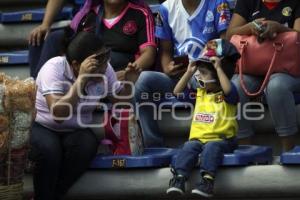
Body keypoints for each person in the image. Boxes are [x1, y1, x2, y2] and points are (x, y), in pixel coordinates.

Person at [30, 32, 133, 200]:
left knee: (87, 145)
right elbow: (58, 114)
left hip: (76, 129)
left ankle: (53, 196)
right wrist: (81, 80)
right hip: (44, 126)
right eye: (97, 63)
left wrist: (131, 83)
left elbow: (121, 103)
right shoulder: (53, 68)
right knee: (50, 150)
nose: (104, 68)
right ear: (77, 65)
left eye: (105, 60)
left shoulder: (105, 69)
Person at [134, 0, 232, 147]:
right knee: (143, 80)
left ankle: (207, 138)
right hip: (179, 77)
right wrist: (168, 67)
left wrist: (206, 60)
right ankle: (152, 145)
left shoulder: (218, 3)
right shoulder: (166, 8)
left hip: (209, 76)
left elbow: (226, 44)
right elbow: (166, 51)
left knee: (198, 76)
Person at [166, 39, 240, 198]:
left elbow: (228, 89)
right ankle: (179, 178)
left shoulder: (227, 94)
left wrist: (219, 68)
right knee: (188, 147)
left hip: (222, 140)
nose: (199, 76)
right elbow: (177, 92)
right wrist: (189, 72)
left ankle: (207, 182)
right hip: (198, 139)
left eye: (204, 73)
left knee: (212, 147)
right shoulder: (199, 93)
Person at [226, 0, 300, 151]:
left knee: (276, 86)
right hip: (254, 67)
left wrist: (279, 28)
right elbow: (230, 35)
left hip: (288, 69)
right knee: (235, 86)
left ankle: (288, 151)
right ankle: (245, 151)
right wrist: (249, 27)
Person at [28, 0, 156, 80]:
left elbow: (149, 54)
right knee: (53, 39)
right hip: (90, 71)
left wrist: (128, 72)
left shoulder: (140, 13)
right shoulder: (88, 15)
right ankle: (37, 89)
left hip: (120, 69)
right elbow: (74, 49)